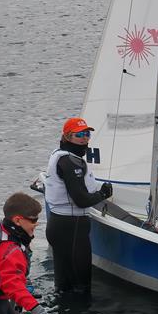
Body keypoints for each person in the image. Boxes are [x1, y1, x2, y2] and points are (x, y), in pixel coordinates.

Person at [44, 117, 113, 295]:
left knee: (63, 287)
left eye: (87, 134)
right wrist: (103, 194)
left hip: (59, 225)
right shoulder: (70, 162)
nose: (84, 138)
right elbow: (81, 200)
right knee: (81, 288)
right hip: (71, 228)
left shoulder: (59, 155)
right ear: (67, 136)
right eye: (79, 135)